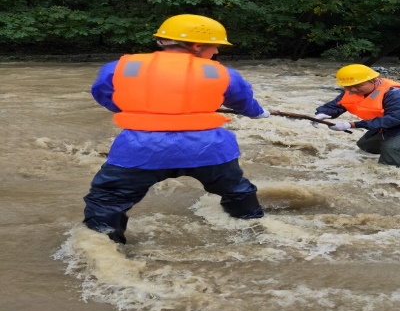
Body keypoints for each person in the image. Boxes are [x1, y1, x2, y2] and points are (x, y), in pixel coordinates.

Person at [83, 14, 270, 244]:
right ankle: (254, 233)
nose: (217, 52)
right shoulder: (221, 72)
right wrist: (258, 112)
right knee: (237, 191)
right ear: (198, 45)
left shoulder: (121, 67)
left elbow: (104, 94)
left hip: (139, 150)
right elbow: (242, 102)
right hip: (208, 149)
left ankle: (104, 248)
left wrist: (136, 109)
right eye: (215, 46)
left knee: (107, 200)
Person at [312, 64, 400, 167]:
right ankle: (374, 165)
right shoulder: (352, 91)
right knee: (366, 145)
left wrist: (352, 125)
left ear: (374, 80)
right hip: (390, 122)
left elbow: (394, 119)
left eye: (358, 86)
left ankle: (393, 178)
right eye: (348, 86)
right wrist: (322, 114)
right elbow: (337, 104)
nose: (352, 90)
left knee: (392, 148)